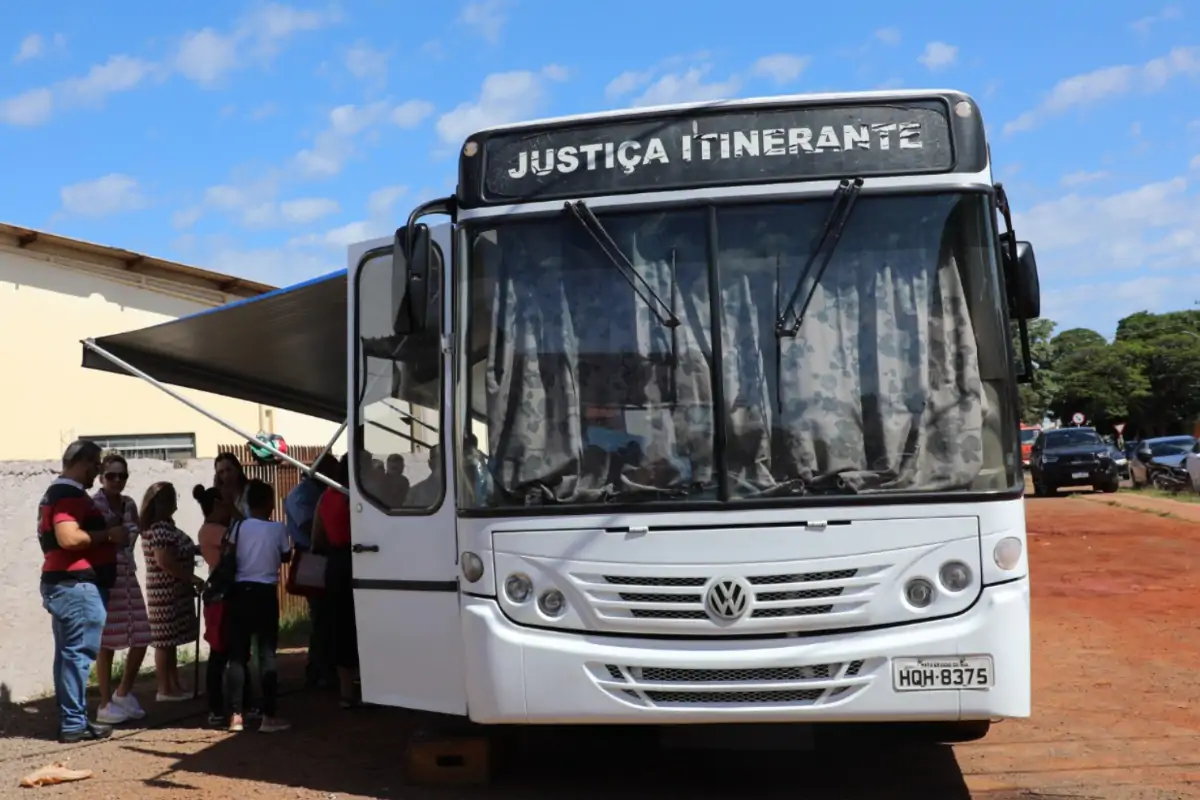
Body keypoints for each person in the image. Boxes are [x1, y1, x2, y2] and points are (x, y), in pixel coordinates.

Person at [38, 439, 128, 743]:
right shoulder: (68, 494)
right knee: (76, 655)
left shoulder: (58, 492)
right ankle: (73, 723)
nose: (97, 473)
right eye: (96, 466)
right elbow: (68, 537)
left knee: (68, 655)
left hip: (66, 584)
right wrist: (109, 535)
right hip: (76, 586)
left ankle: (73, 720)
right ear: (84, 462)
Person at [225, 479, 293, 733]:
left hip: (240, 592)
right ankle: (269, 716)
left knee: (238, 657)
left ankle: (236, 716)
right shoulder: (277, 529)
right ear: (268, 504)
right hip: (265, 593)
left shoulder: (239, 527)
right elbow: (286, 556)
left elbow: (229, 553)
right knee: (267, 654)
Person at [92, 455, 152, 726]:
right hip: (105, 575)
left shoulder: (129, 504)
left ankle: (123, 691)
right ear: (102, 478)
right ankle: (104, 702)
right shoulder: (94, 504)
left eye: (122, 476)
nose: (117, 480)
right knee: (106, 642)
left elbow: (133, 534)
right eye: (111, 476)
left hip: (127, 574)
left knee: (141, 634)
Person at [194, 485, 254, 727]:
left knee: (222, 653)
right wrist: (234, 512)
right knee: (229, 654)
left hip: (221, 594)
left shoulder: (210, 530)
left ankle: (223, 707)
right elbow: (247, 534)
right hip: (226, 594)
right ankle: (229, 708)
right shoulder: (214, 530)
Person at [140, 482, 204, 701]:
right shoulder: (158, 528)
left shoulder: (165, 526)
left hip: (173, 590)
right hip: (164, 591)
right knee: (164, 642)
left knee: (170, 642)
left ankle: (174, 684)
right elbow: (163, 559)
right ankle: (165, 688)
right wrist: (190, 577)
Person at [283, 454, 339, 688]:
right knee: (320, 616)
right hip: (311, 556)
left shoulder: (318, 492)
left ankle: (326, 667)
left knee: (328, 616)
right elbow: (310, 528)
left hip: (322, 555)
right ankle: (317, 670)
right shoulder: (301, 496)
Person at [312, 455, 359, 708]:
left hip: (333, 564)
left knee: (339, 626)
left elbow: (316, 538)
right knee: (359, 624)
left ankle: (345, 693)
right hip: (356, 561)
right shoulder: (355, 498)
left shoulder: (325, 497)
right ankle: (367, 687)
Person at [214, 452, 250, 519]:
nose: (226, 475)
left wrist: (230, 507)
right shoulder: (217, 497)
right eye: (221, 472)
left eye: (229, 470)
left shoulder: (250, 492)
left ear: (237, 469)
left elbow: (254, 523)